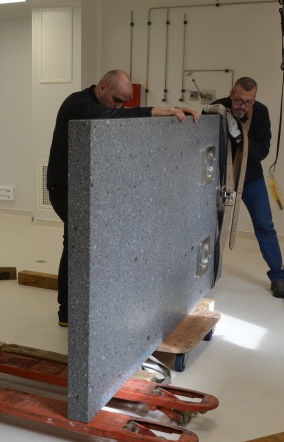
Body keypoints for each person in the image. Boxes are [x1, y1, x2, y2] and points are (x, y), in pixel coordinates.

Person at [46, 70, 200, 327]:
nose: (118, 106)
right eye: (116, 100)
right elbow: (106, 116)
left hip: (86, 188)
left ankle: (85, 302)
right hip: (65, 189)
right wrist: (154, 111)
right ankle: (69, 311)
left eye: (123, 102)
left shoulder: (104, 105)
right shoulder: (77, 103)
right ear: (102, 88)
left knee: (80, 243)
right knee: (78, 244)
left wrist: (168, 114)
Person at [208, 77, 284, 298]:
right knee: (209, 224)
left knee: (264, 225)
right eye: (238, 100)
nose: (242, 106)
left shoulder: (261, 112)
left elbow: (262, 150)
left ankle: (278, 275)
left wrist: (239, 138)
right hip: (220, 177)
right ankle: (204, 273)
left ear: (254, 100)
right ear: (231, 94)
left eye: (248, 102)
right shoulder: (218, 108)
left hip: (250, 177)